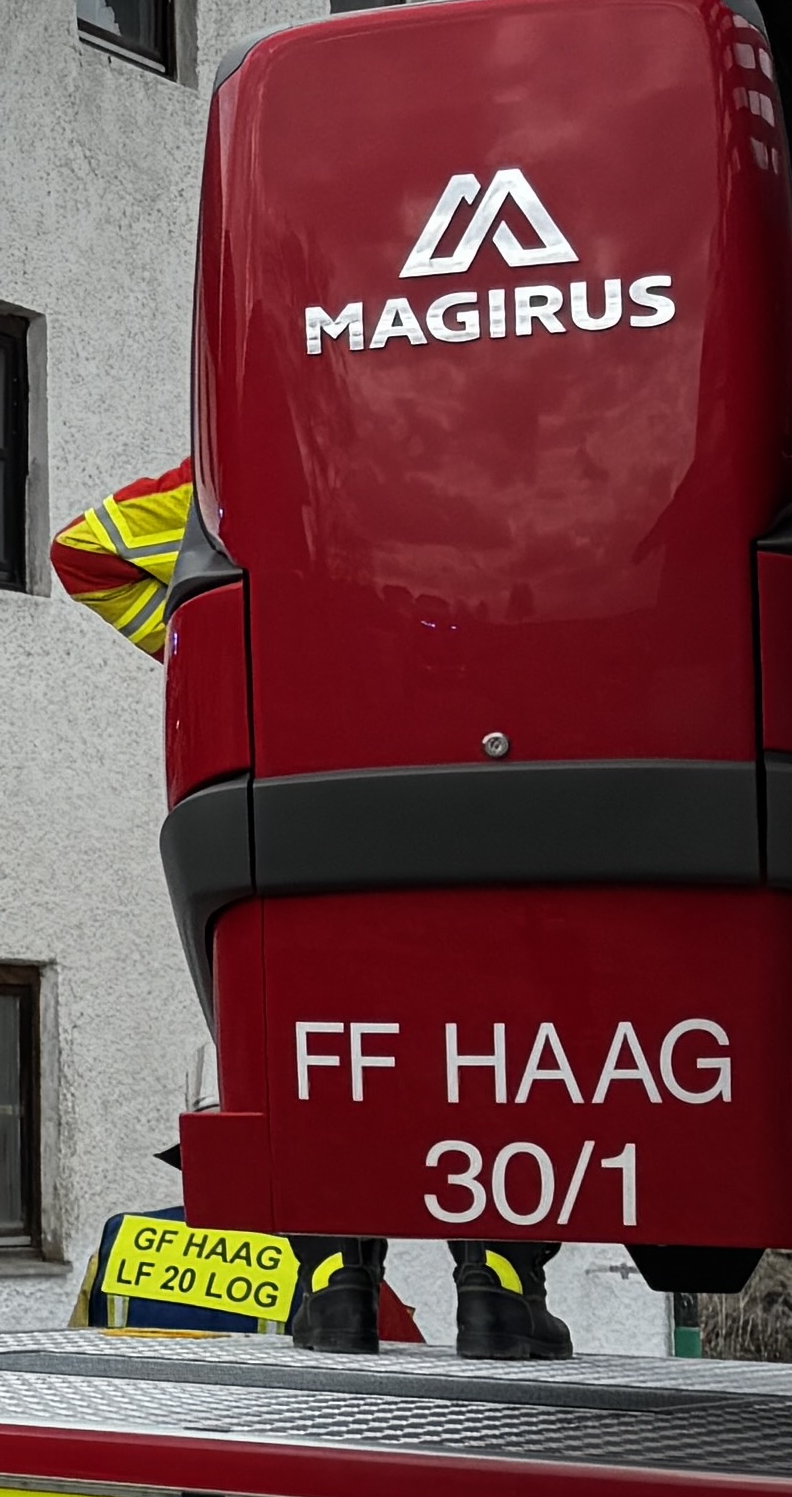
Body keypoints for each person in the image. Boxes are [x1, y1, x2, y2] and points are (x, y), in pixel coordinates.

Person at [52, 460, 568, 1361]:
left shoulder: (256, 477)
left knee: (329, 1049)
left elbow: (89, 551)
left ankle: (336, 1290)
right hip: (482, 799)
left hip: (304, 812)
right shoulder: (498, 464)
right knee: (488, 1046)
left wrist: (210, 655)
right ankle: (497, 1291)